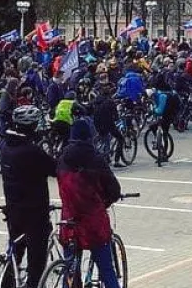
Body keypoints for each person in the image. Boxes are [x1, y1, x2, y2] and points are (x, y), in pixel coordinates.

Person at [57, 118, 122, 288]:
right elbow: (114, 190)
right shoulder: (96, 159)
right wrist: (105, 201)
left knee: (70, 271)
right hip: (93, 223)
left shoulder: (63, 158)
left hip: (68, 222)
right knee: (107, 270)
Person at [0, 105, 57, 288]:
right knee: (37, 259)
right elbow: (55, 168)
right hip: (34, 211)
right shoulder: (32, 151)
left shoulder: (6, 147)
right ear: (32, 126)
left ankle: (7, 284)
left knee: (15, 252)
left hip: (13, 208)